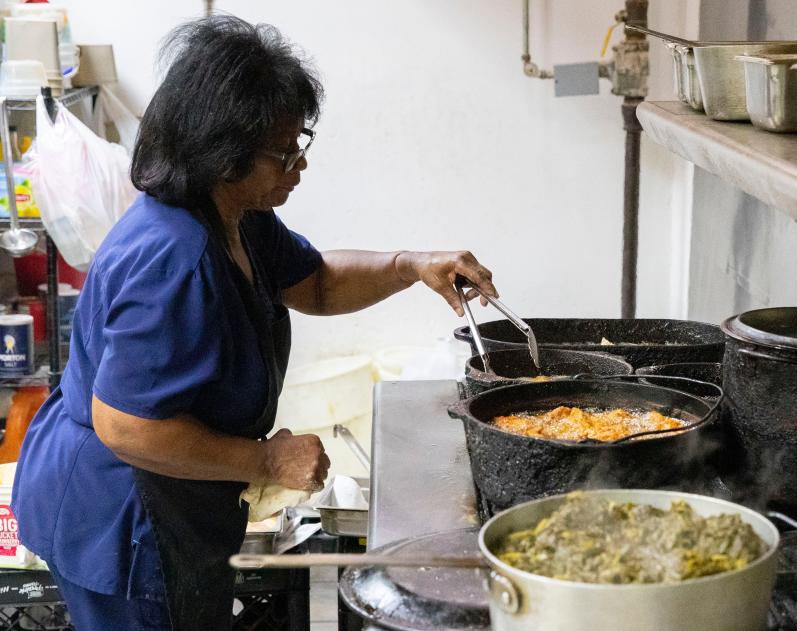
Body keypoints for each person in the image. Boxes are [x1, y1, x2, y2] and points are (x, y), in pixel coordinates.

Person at [12, 15, 498, 631]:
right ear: (222, 154)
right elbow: (127, 427)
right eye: (282, 152)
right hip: (124, 512)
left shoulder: (236, 214)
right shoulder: (175, 259)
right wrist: (265, 462)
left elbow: (315, 282)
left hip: (163, 496)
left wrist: (409, 266)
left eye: (301, 143)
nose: (298, 164)